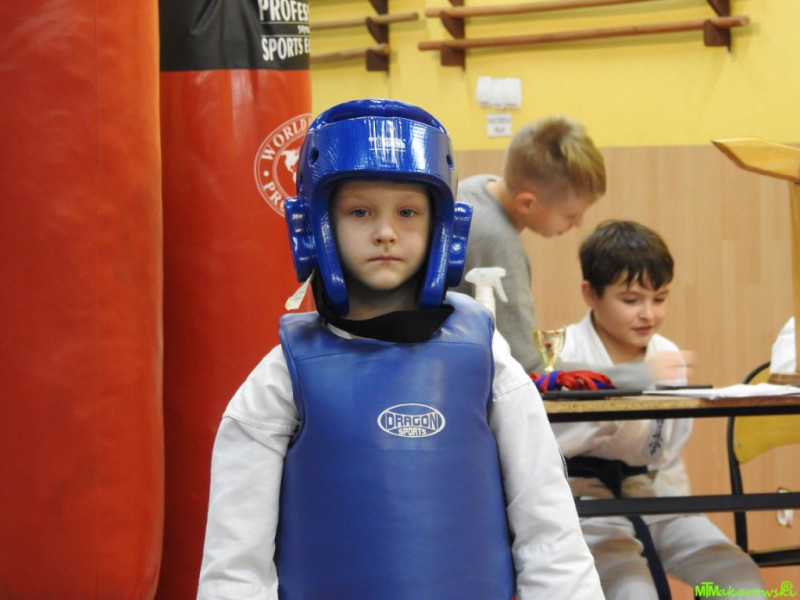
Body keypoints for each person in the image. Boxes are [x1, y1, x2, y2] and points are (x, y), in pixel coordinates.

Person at [196, 99, 604, 600]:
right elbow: (236, 565)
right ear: (315, 226)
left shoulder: (485, 357)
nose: (385, 232)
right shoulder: (285, 374)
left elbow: (549, 530)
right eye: (360, 211)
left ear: (443, 227)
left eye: (407, 212)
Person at [551, 220, 763, 600]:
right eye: (631, 300)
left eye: (660, 298)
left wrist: (682, 506)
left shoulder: (666, 354)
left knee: (738, 579)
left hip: (651, 489)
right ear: (591, 294)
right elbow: (554, 444)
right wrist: (623, 391)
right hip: (583, 498)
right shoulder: (565, 355)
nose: (648, 314)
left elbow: (670, 451)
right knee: (633, 591)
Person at [453, 117, 687, 387]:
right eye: (570, 215)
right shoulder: (494, 238)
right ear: (527, 203)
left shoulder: (477, 188)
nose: (578, 224)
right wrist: (640, 374)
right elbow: (529, 366)